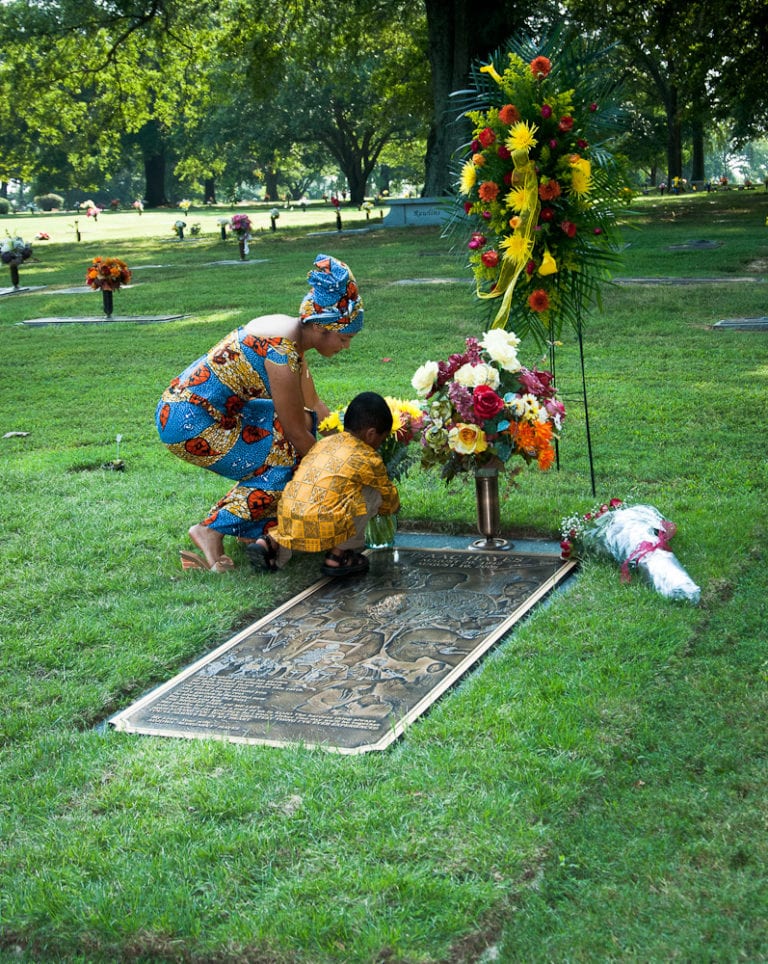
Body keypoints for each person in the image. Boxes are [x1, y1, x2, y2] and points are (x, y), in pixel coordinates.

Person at [155, 253, 363, 573]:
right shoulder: (282, 353)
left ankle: (254, 525)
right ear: (322, 329)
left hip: (207, 411)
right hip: (189, 423)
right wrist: (330, 471)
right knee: (290, 454)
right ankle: (211, 529)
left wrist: (348, 449)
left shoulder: (291, 337)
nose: (346, 346)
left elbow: (315, 408)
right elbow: (295, 432)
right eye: (344, 338)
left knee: (299, 435)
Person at [256, 392, 400, 577]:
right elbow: (388, 497)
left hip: (288, 517)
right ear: (371, 434)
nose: (380, 444)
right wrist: (392, 509)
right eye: (382, 438)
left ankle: (269, 542)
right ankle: (339, 556)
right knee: (374, 493)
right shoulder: (368, 457)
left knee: (313, 500)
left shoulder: (324, 444)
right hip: (321, 525)